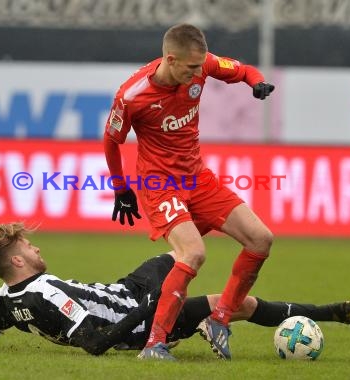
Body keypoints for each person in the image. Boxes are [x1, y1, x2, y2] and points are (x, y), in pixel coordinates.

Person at [0, 223, 350, 357]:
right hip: (138, 317)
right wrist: (153, 309)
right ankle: (335, 312)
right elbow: (96, 343)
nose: (38, 248)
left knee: (174, 255)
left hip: (123, 291)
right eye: (30, 246)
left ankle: (203, 243)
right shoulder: (46, 292)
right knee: (235, 303)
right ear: (18, 260)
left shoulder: (6, 301)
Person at [104, 23, 276, 360]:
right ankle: (154, 344)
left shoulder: (203, 64)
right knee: (194, 253)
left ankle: (219, 319)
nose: (201, 72)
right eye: (193, 68)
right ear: (170, 59)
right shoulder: (132, 95)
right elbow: (112, 141)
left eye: (202, 66)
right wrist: (120, 188)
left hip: (198, 179)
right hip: (160, 184)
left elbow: (243, 71)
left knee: (261, 239)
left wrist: (257, 83)